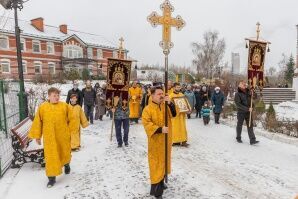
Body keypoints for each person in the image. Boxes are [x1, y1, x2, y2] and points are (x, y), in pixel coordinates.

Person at [29, 87, 72, 188]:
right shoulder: (43, 107)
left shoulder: (64, 106)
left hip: (62, 136)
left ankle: (66, 164)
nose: (57, 97)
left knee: (64, 152)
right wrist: (37, 136)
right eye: (54, 95)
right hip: (50, 138)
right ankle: (51, 178)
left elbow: (72, 117)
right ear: (49, 96)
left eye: (58, 95)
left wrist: (72, 129)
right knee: (51, 157)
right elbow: (37, 122)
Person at [142, 86, 177, 199]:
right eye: (159, 94)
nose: (162, 95)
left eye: (162, 93)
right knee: (156, 164)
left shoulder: (165, 105)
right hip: (155, 143)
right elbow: (147, 124)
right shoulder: (147, 109)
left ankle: (161, 182)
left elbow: (174, 114)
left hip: (166, 141)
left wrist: (170, 103)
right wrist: (160, 129)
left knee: (164, 163)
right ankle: (157, 191)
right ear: (152, 95)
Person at [234, 80, 259, 145]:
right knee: (239, 125)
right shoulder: (237, 94)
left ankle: (252, 140)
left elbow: (255, 97)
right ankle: (238, 137)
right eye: (242, 84)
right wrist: (247, 109)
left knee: (250, 125)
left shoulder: (249, 92)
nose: (244, 84)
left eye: (244, 83)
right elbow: (238, 104)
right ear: (239, 85)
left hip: (248, 112)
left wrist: (253, 91)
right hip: (241, 112)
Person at [169, 83, 189, 147]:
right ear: (174, 88)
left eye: (179, 87)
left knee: (183, 128)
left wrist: (188, 109)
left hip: (182, 115)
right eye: (177, 87)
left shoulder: (182, 95)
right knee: (175, 128)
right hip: (175, 115)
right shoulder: (171, 96)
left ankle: (183, 141)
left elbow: (186, 102)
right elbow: (169, 105)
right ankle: (175, 141)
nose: (178, 88)